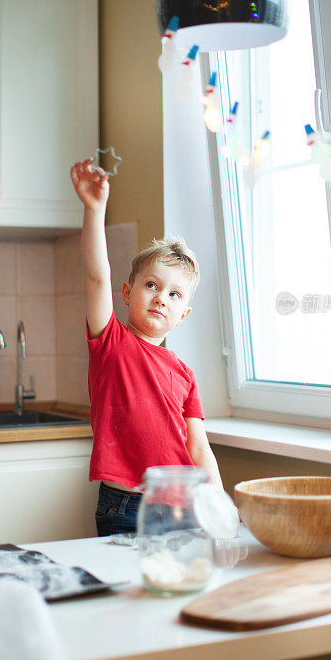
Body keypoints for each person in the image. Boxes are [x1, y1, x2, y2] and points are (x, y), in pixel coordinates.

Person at [71, 158, 223, 534]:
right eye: (151, 285)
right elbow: (95, 276)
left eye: (174, 294)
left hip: (181, 506)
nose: (161, 298)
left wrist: (218, 499)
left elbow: (198, 447)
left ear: (183, 315)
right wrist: (95, 210)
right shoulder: (111, 342)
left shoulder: (185, 374)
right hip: (123, 506)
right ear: (127, 292)